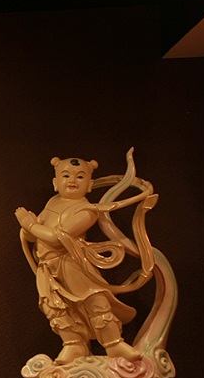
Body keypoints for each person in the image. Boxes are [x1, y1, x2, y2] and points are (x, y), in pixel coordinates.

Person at [15, 155, 148, 364]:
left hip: (72, 263)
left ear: (89, 185)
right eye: (66, 175)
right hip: (47, 267)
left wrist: (31, 225)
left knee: (95, 300)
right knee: (54, 306)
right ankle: (73, 344)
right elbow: (35, 236)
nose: (72, 180)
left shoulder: (87, 210)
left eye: (79, 176)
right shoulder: (52, 202)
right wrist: (28, 228)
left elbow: (57, 237)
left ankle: (113, 343)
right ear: (55, 183)